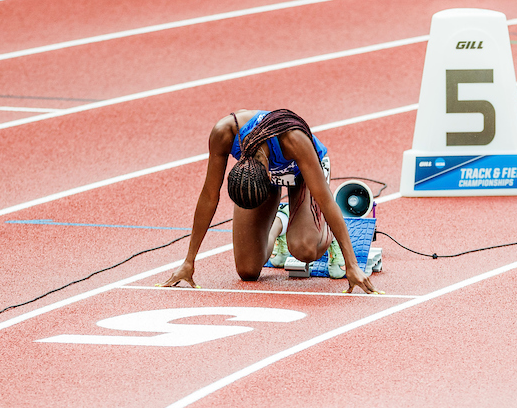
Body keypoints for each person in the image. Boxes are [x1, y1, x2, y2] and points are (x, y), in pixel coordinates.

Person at [161, 108, 381, 293]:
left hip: (303, 172)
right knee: (247, 271)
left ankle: (327, 234)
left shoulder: (293, 139)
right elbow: (209, 196)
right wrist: (189, 260)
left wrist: (351, 264)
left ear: (267, 177)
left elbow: (325, 199)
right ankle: (281, 223)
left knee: (304, 250)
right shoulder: (224, 133)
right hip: (258, 178)